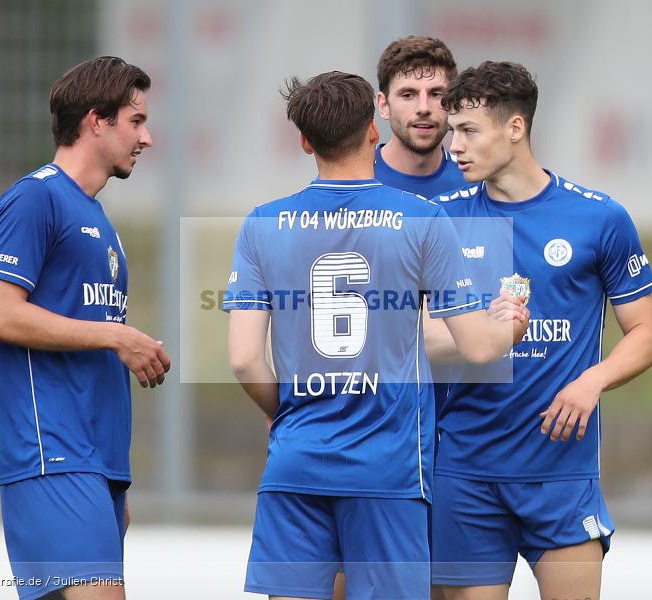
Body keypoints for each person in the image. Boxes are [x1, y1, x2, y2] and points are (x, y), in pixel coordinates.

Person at [224, 71, 528, 600]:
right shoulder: (423, 219)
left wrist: (289, 412)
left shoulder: (261, 223)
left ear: (304, 141)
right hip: (389, 470)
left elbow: (245, 360)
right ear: (373, 130)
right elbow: (477, 346)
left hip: (296, 462)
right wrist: (509, 326)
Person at [426, 61, 652, 600]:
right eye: (450, 132)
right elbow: (411, 337)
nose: (453, 146)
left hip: (561, 472)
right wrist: (480, 336)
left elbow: (647, 334)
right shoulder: (439, 219)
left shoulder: (599, 217)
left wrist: (592, 382)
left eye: (467, 131)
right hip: (465, 471)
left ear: (515, 128)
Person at [0, 56, 170, 600]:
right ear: (96, 120)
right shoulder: (35, 197)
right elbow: (0, 313)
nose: (147, 138)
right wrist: (119, 336)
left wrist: (113, 477)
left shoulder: (97, 218)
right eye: (136, 121)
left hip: (94, 464)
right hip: (51, 457)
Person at [373, 36, 466, 198]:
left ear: (452, 104)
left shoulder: (478, 186)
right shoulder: (351, 182)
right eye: (408, 95)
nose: (423, 108)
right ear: (384, 105)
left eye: (436, 94)